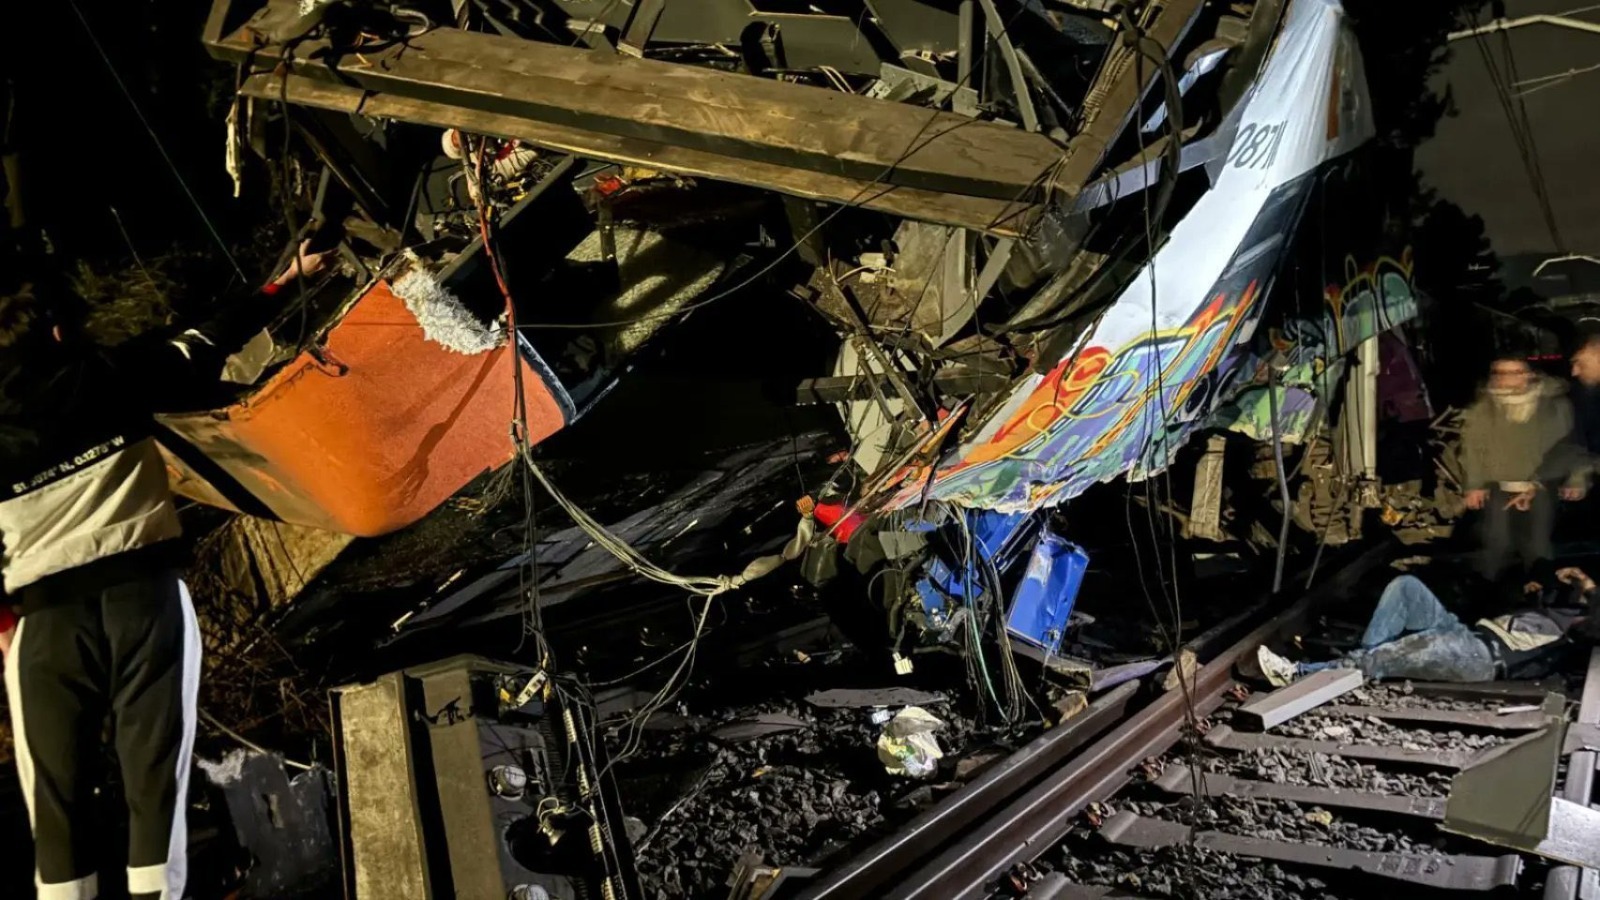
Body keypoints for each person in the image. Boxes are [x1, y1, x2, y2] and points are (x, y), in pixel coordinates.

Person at [0, 240, 329, 900]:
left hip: (45, 626)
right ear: (58, 331)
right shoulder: (108, 375)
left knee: (57, 806)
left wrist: (6, 629)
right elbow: (201, 343)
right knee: (156, 783)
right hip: (140, 601)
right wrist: (285, 283)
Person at [1257, 566, 1598, 686]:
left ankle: (1297, 674)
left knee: (1400, 652)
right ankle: (1364, 659)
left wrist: (1586, 582)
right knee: (1406, 587)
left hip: (1482, 659)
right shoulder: (1557, 608)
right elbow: (1492, 595)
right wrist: (1530, 590)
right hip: (1468, 633)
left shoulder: (1577, 636)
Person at [1459, 354, 1587, 580]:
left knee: (1538, 545)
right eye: (1500, 373)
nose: (1506, 379)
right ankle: (1493, 599)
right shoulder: (1483, 409)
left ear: (1529, 375)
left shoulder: (1556, 406)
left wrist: (1576, 478)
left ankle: (1543, 594)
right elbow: (1473, 448)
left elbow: (1571, 445)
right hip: (1498, 486)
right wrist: (1474, 485)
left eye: (1514, 373)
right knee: (1496, 544)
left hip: (1542, 485)